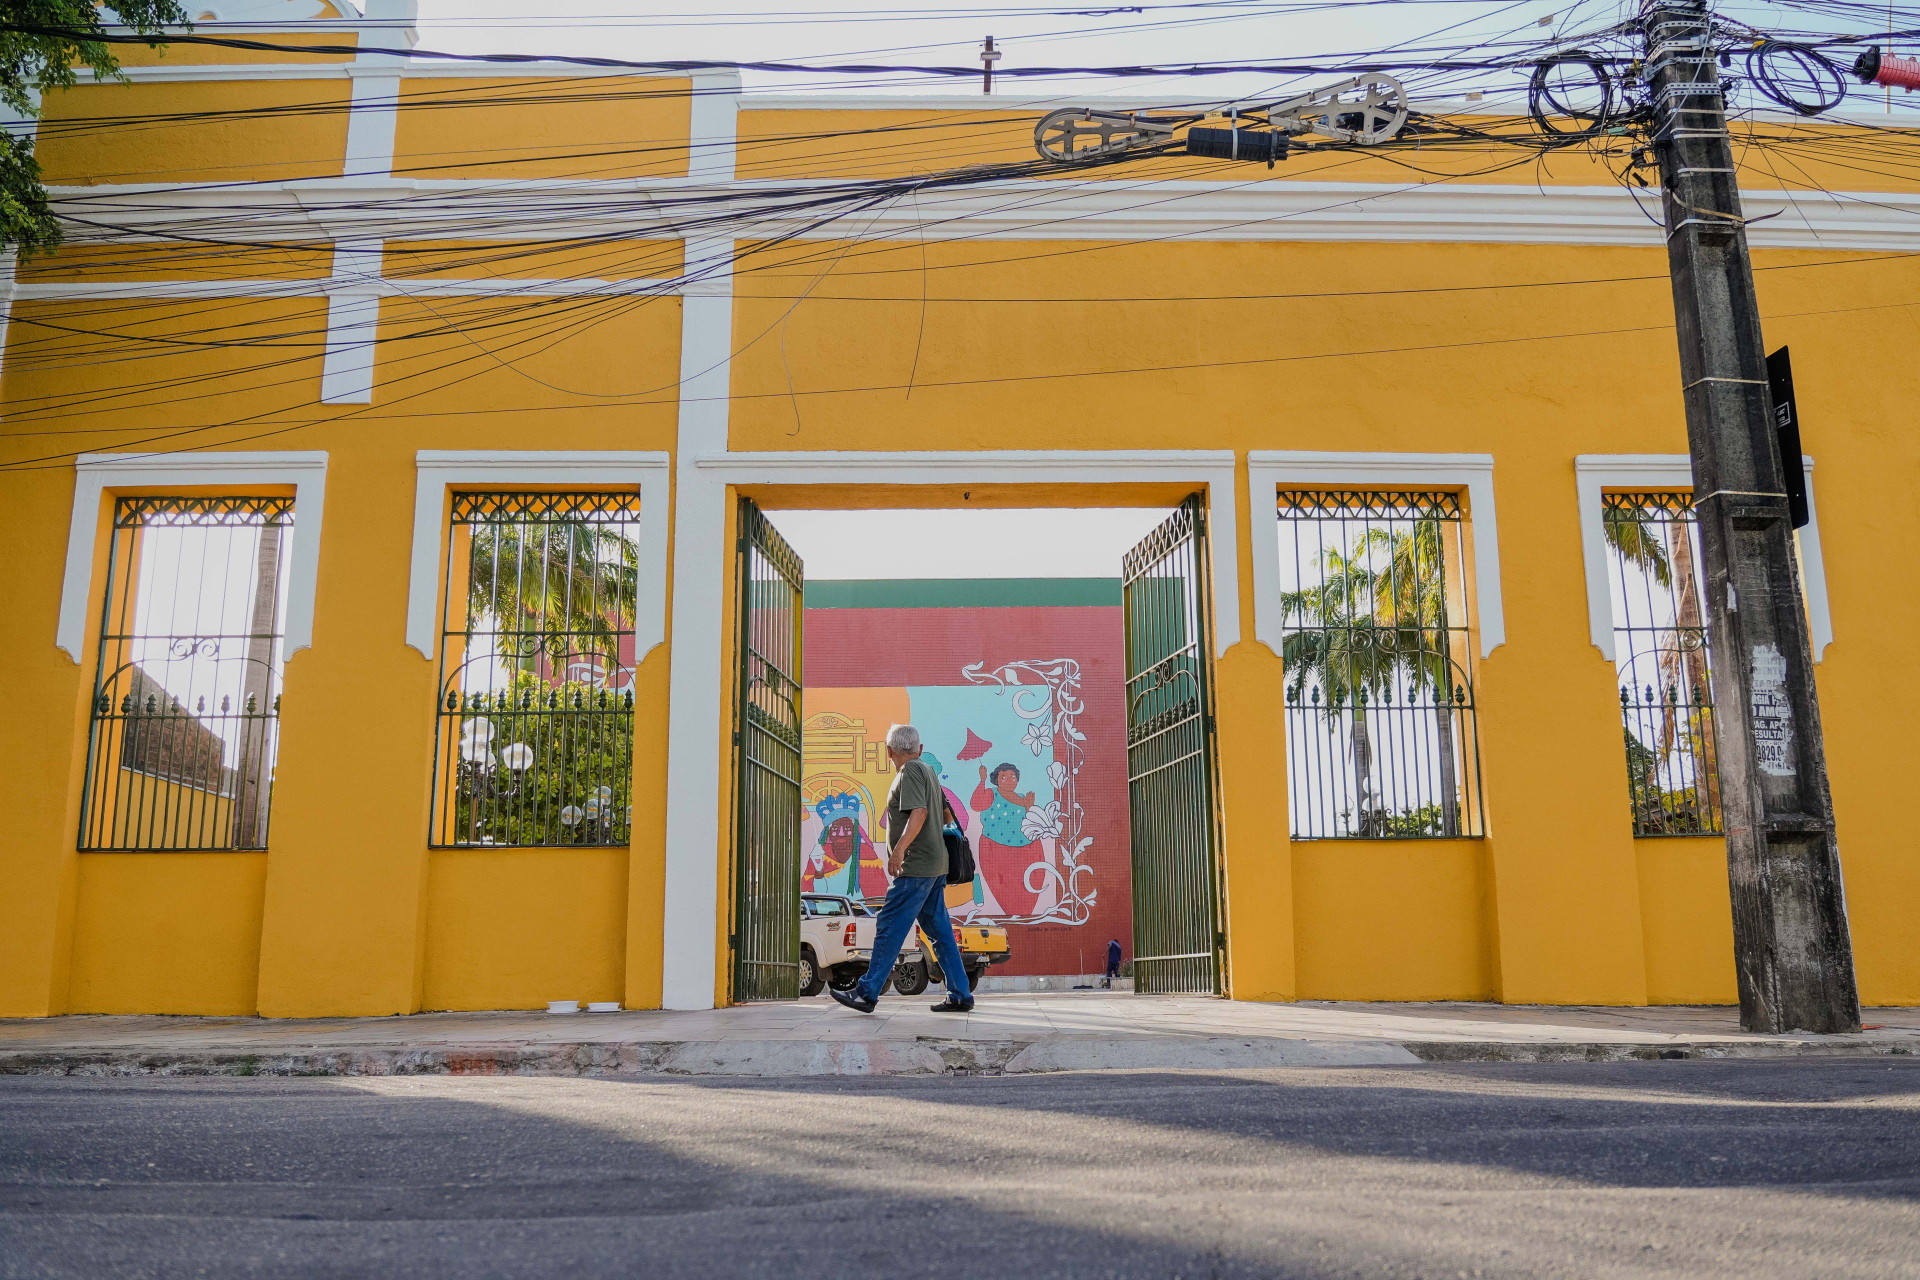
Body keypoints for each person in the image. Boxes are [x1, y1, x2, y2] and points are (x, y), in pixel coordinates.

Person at [831, 723, 975, 1014]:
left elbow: (919, 813)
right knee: (940, 932)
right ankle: (960, 993)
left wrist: (899, 851)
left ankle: (867, 992)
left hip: (916, 867)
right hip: (935, 866)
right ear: (919, 749)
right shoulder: (929, 772)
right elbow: (946, 815)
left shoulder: (908, 772)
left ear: (889, 752)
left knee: (889, 925)